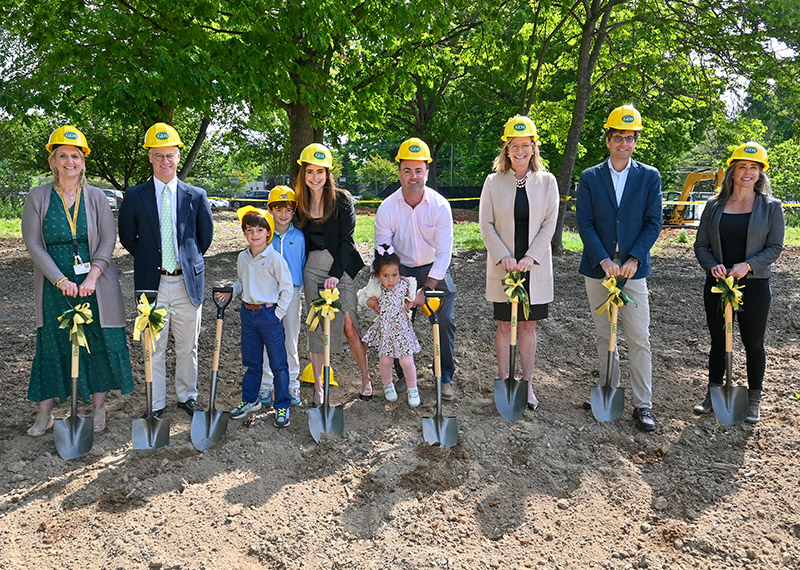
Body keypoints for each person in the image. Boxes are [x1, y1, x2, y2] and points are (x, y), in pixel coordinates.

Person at [22, 125, 133, 436]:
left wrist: (93, 276)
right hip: (54, 284)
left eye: (75, 155)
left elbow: (107, 239)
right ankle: (45, 413)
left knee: (97, 340)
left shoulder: (97, 196)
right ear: (53, 161)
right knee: (52, 342)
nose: (69, 161)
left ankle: (98, 407)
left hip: (94, 285)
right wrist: (60, 280)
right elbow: (33, 243)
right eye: (62, 156)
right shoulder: (38, 196)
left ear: (83, 161)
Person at [118, 123, 214, 418]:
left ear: (178, 156)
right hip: (152, 284)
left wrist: (185, 262)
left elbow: (204, 238)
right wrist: (151, 260)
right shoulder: (134, 196)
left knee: (188, 346)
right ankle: (156, 402)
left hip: (187, 283)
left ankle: (187, 396)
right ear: (150, 157)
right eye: (158, 156)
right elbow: (127, 237)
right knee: (154, 348)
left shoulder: (196, 196)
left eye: (170, 155)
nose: (165, 162)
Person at [576, 105, 662, 432]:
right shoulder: (590, 177)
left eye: (630, 138)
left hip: (633, 272)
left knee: (638, 337)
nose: (624, 143)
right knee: (604, 335)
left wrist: (633, 259)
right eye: (618, 138)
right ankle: (608, 388)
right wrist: (604, 260)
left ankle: (643, 403)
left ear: (635, 141)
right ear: (608, 140)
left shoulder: (649, 177)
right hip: (599, 269)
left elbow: (653, 222)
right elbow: (584, 223)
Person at [693, 142, 784, 424]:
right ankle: (713, 392)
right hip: (718, 284)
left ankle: (754, 399)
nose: (748, 172)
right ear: (733, 171)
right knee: (719, 341)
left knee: (753, 344)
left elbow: (775, 247)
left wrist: (749, 265)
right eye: (742, 167)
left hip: (754, 285)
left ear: (760, 174)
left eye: (754, 168)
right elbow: (701, 246)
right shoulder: (713, 206)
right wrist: (713, 266)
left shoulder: (771, 208)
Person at [479, 116, 559, 410]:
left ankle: (527, 384)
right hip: (505, 268)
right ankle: (503, 381)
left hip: (532, 269)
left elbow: (550, 224)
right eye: (515, 145)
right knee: (504, 326)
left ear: (534, 147)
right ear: (507, 149)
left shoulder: (548, 182)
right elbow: (486, 224)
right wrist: (505, 257)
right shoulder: (493, 182)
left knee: (527, 327)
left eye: (526, 145)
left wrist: (529, 258)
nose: (520, 151)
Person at [374, 138, 457, 400]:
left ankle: (444, 377)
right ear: (399, 172)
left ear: (427, 172)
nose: (413, 177)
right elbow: (383, 252)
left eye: (418, 170)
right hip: (401, 270)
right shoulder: (387, 208)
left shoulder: (440, 206)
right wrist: (391, 287)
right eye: (407, 170)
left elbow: (444, 253)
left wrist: (428, 288)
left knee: (443, 321)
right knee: (396, 321)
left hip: (435, 269)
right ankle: (403, 376)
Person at [293, 143, 372, 404]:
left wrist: (336, 275)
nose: (315, 177)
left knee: (349, 326)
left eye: (320, 172)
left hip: (341, 268)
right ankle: (319, 388)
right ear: (303, 174)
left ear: (328, 174)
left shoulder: (342, 200)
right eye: (310, 172)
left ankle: (366, 379)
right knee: (316, 329)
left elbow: (347, 242)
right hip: (312, 270)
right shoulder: (299, 204)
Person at [216, 207, 294, 427]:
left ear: (268, 233)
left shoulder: (274, 258)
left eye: (260, 230)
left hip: (268, 314)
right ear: (244, 232)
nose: (255, 234)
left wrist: (277, 314)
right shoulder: (243, 257)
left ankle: (282, 405)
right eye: (249, 230)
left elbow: (286, 288)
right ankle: (250, 399)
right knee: (252, 362)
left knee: (279, 363)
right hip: (247, 314)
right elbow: (242, 281)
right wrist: (232, 290)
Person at [258, 186, 305, 408]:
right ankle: (267, 385)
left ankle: (292, 386)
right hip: (269, 295)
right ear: (270, 210)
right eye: (278, 209)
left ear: (294, 210)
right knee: (268, 341)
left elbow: (303, 265)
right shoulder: (264, 237)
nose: (283, 214)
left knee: (290, 341)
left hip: (292, 294)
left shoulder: (300, 237)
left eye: (287, 209)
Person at [358, 245, 421, 407]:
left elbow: (414, 295)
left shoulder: (405, 285)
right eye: (385, 276)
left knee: (406, 361)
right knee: (385, 360)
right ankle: (388, 385)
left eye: (395, 275)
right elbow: (361, 295)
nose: (391, 280)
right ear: (378, 276)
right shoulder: (377, 288)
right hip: (385, 330)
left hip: (402, 331)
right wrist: (368, 302)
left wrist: (410, 301)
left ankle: (413, 388)